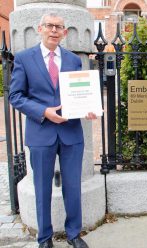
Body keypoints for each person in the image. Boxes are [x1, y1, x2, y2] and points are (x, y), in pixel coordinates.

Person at [9, 13, 96, 248]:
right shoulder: (25, 59)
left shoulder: (72, 60)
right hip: (40, 132)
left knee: (73, 187)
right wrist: (43, 111)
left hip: (71, 133)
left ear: (65, 32)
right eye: (49, 26)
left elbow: (79, 93)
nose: (54, 30)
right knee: (42, 188)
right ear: (40, 29)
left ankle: (74, 234)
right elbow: (15, 96)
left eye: (59, 27)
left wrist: (88, 109)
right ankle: (44, 238)